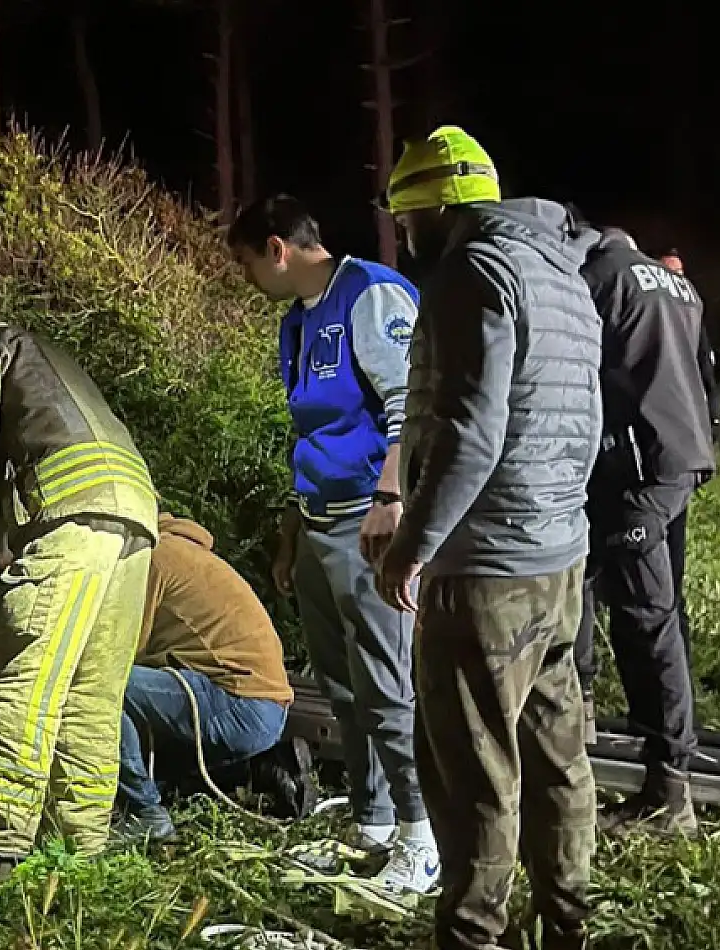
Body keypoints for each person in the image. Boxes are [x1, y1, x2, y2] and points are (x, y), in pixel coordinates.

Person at [374, 125, 599, 950]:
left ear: (436, 207)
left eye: (409, 219)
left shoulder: (473, 270)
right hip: (559, 556)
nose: (406, 237)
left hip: (486, 571)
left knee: (472, 771)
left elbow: (471, 429)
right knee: (556, 757)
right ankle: (567, 925)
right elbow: (585, 418)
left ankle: (473, 935)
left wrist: (414, 544)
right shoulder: (562, 274)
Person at [226, 195, 436, 893]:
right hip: (319, 518)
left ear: (277, 248)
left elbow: (412, 402)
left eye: (250, 262)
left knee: (387, 682)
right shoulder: (296, 324)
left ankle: (422, 833)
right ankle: (373, 823)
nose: (249, 279)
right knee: (343, 684)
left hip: (367, 521)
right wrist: (291, 531)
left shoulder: (369, 295)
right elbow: (311, 430)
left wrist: (391, 498)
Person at [0, 312, 158, 883]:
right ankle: (77, 849)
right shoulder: (49, 357)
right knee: (91, 694)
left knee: (20, 682)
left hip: (71, 514)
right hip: (138, 518)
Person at [567, 221, 713, 835]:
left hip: (634, 467)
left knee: (644, 620)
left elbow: (577, 372)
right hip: (677, 458)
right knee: (588, 581)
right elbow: (704, 373)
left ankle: (668, 789)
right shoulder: (681, 289)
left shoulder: (599, 279)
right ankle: (582, 718)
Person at [110, 513, 303, 843]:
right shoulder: (186, 552)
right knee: (146, 697)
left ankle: (145, 812)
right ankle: (252, 771)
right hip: (264, 707)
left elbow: (120, 648)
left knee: (108, 688)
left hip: (241, 704)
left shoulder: (154, 558)